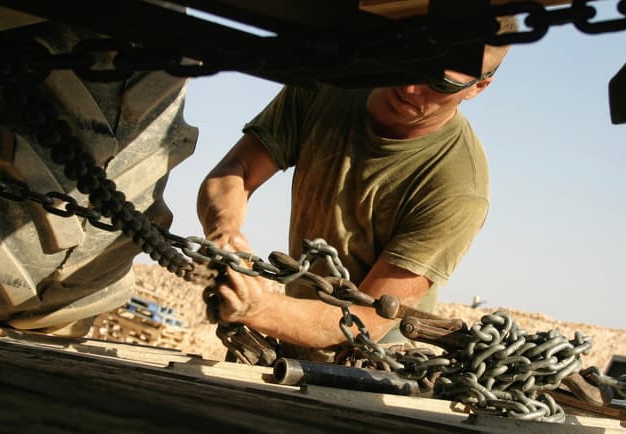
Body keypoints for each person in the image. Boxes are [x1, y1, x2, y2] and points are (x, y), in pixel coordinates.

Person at [196, 16, 518, 362]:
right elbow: (235, 171)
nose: (410, 87)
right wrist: (225, 231)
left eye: (439, 84)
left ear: (477, 88)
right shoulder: (334, 84)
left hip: (375, 360)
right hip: (292, 332)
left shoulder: (456, 187)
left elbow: (365, 320)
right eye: (411, 62)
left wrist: (258, 308)